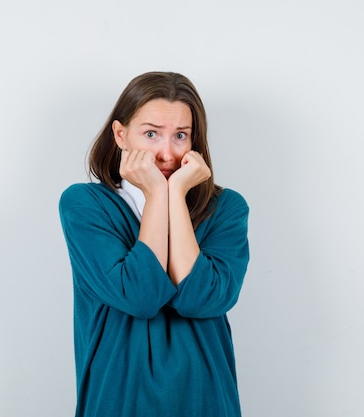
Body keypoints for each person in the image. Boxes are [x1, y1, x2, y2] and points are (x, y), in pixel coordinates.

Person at [58, 71, 250, 417]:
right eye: (150, 134)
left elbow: (203, 297)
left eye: (180, 136)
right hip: (118, 399)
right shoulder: (84, 205)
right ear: (120, 134)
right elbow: (140, 295)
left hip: (205, 398)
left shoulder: (227, 209)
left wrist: (173, 193)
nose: (166, 153)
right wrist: (156, 194)